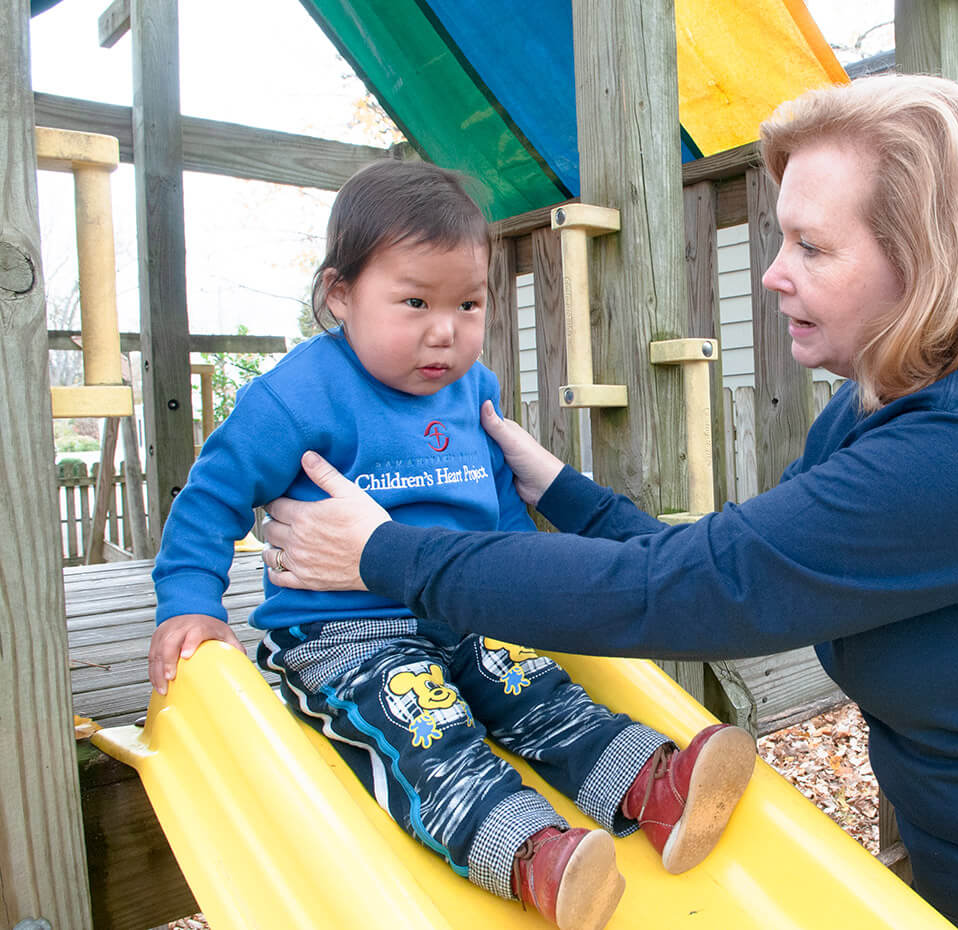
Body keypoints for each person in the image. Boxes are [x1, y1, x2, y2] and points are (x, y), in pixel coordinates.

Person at [258, 77, 958, 930]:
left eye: (812, 248)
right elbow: (723, 569)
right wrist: (554, 488)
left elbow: (685, 597)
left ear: (926, 258)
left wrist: (388, 556)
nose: (774, 276)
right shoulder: (878, 410)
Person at [145, 160, 756, 930]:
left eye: (468, 303)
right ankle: (533, 854)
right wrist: (191, 603)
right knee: (429, 736)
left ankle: (651, 788)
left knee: (544, 693)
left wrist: (523, 600)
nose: (446, 330)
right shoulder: (295, 395)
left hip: (466, 612)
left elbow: (501, 524)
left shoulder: (476, 390)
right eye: (414, 302)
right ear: (340, 296)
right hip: (346, 636)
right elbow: (210, 497)